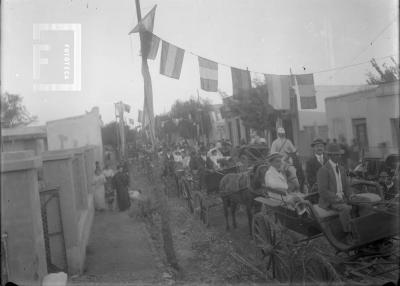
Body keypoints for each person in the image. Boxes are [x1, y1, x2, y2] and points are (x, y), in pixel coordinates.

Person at [317, 143, 354, 243]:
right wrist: (336, 198)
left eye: (339, 154)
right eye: (336, 154)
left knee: (364, 202)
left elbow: (347, 186)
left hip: (342, 198)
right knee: (345, 209)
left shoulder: (341, 168)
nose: (339, 156)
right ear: (329, 156)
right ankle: (348, 234)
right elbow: (322, 191)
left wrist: (351, 195)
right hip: (329, 201)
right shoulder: (323, 170)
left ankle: (367, 230)